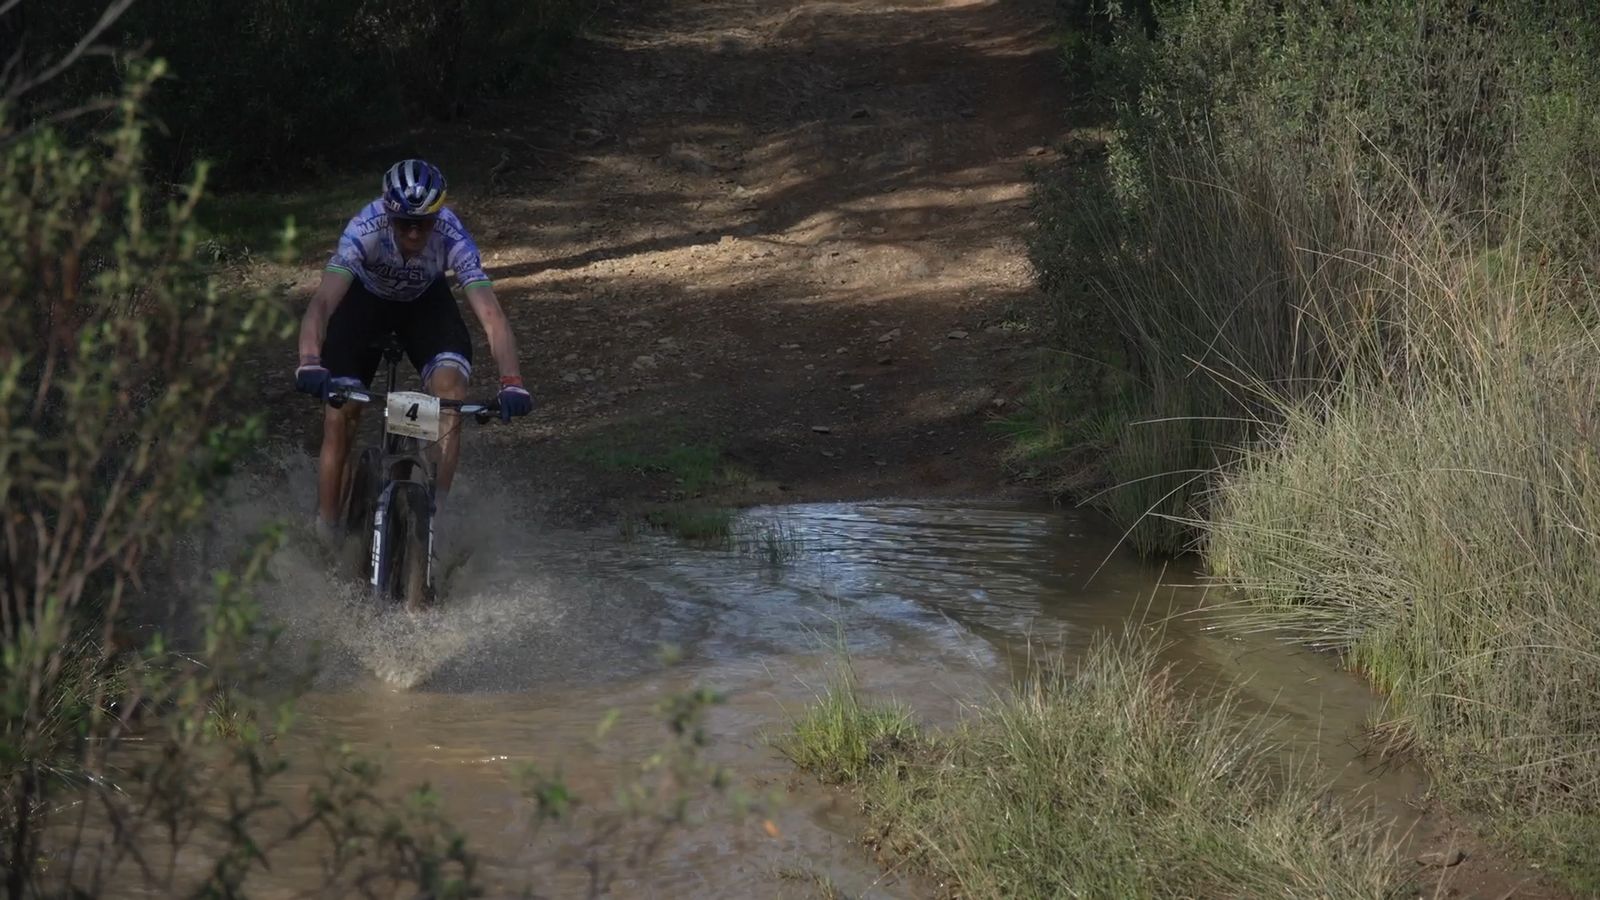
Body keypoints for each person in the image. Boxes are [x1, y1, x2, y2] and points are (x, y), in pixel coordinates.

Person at [292, 159, 532, 538]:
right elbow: (322, 304)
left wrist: (512, 379)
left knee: (450, 395)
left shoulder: (453, 235)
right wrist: (308, 360)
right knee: (343, 411)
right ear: (389, 215)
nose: (416, 233)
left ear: (439, 216)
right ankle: (327, 527)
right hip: (365, 304)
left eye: (426, 222)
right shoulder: (364, 230)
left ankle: (434, 521)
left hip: (424, 305)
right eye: (405, 223)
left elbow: (491, 315)